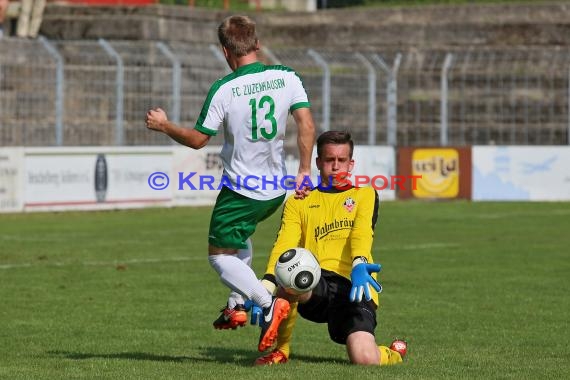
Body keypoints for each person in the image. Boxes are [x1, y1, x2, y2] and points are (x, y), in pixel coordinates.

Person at [145, 15, 316, 352]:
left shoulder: (225, 88)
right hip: (275, 190)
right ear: (256, 42)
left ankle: (266, 305)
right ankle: (237, 304)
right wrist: (305, 170)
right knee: (240, 241)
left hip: (242, 191)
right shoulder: (286, 77)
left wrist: (164, 125)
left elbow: (197, 140)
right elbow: (307, 125)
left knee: (218, 256)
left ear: (226, 50)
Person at [254, 130, 407, 366]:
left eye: (341, 160)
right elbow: (284, 244)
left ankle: (393, 353)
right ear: (318, 162)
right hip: (317, 283)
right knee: (290, 276)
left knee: (365, 359)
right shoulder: (298, 201)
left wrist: (359, 263)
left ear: (351, 163)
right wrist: (267, 283)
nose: (335, 166)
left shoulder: (365, 194)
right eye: (329, 160)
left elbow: (362, 233)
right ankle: (280, 350)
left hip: (356, 285)